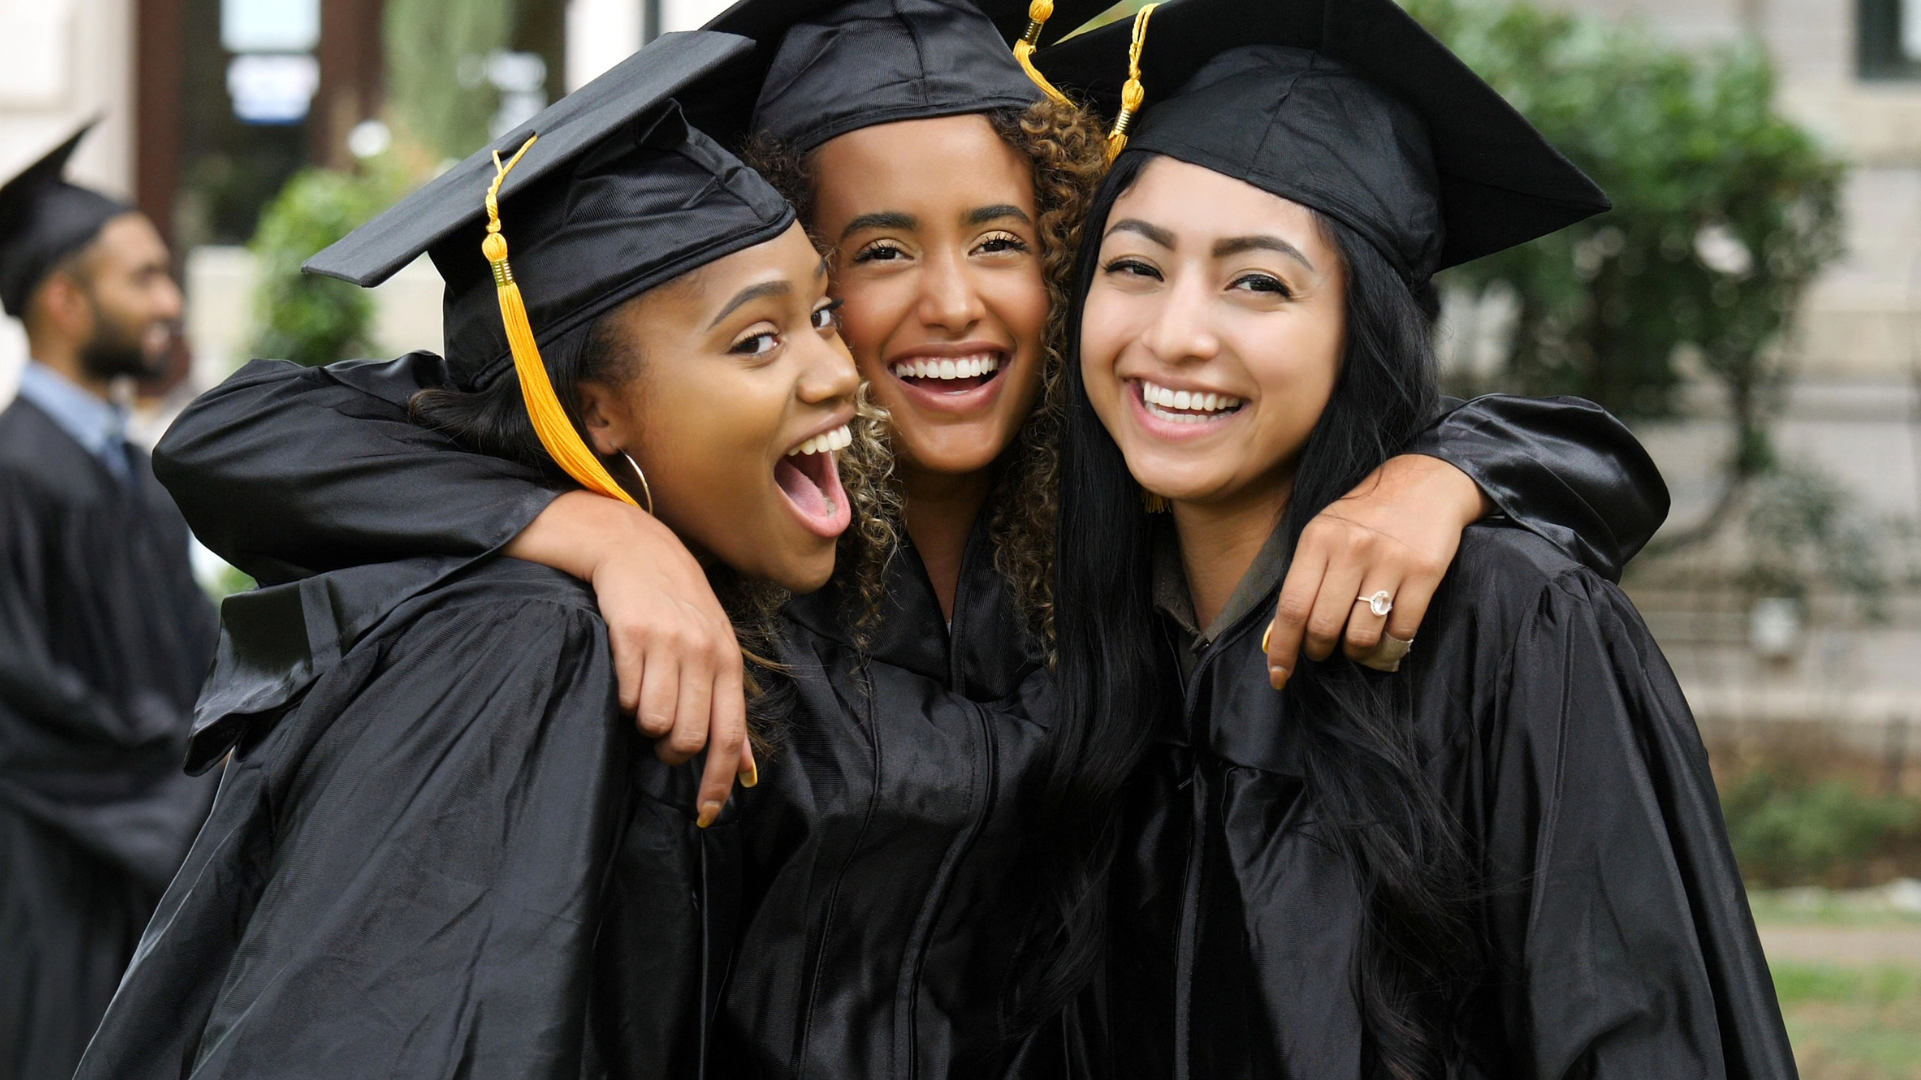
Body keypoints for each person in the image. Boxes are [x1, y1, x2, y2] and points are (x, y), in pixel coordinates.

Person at [147, 0, 1668, 1074]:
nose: (954, 305)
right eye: (873, 256)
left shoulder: (1110, 512)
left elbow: (1384, 420)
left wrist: (1458, 468)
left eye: (1003, 242)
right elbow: (244, 433)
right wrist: (601, 541)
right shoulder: (727, 537)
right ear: (794, 276)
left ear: (1064, 255)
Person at [75, 32, 864, 1078]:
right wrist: (601, 530)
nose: (839, 373)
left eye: (821, 314)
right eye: (755, 341)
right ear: (594, 412)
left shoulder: (686, 601)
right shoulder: (525, 644)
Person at [1037, 0, 1797, 1075]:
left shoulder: (1507, 624)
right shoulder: (1080, 625)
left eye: (1258, 282)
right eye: (1134, 266)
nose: (1174, 334)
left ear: (1364, 327)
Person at [0, 122, 219, 1080]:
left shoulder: (131, 473)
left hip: (154, 879)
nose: (170, 303)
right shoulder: (13, 478)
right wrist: (181, 795)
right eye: (143, 278)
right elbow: (20, 707)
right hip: (55, 893)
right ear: (63, 296)